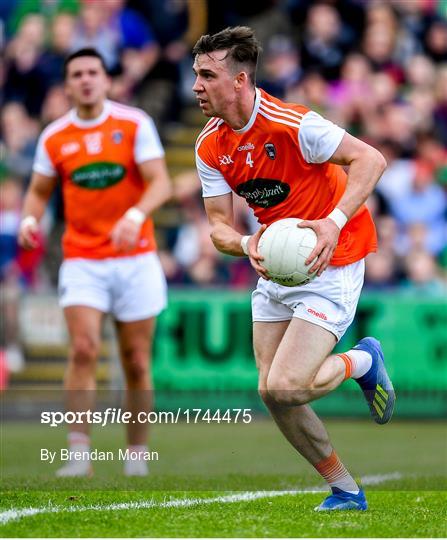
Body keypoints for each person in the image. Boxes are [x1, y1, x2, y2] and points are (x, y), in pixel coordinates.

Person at [193, 27, 395, 511]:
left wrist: (332, 222)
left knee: (287, 384)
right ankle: (345, 489)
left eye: (207, 75)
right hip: (277, 267)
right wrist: (247, 242)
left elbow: (371, 159)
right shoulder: (209, 146)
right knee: (271, 391)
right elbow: (219, 228)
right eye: (195, 75)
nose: (197, 86)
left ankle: (362, 362)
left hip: (333, 258)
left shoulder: (293, 123)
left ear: (240, 80)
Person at [19, 48, 172, 477]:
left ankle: (136, 456)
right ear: (67, 85)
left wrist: (136, 215)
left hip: (136, 256)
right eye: (77, 74)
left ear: (107, 80)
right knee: (83, 349)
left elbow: (160, 183)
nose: (86, 79)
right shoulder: (55, 136)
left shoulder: (134, 123)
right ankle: (79, 453)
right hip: (83, 257)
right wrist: (31, 218)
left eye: (93, 72)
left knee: (137, 360)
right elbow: (38, 190)